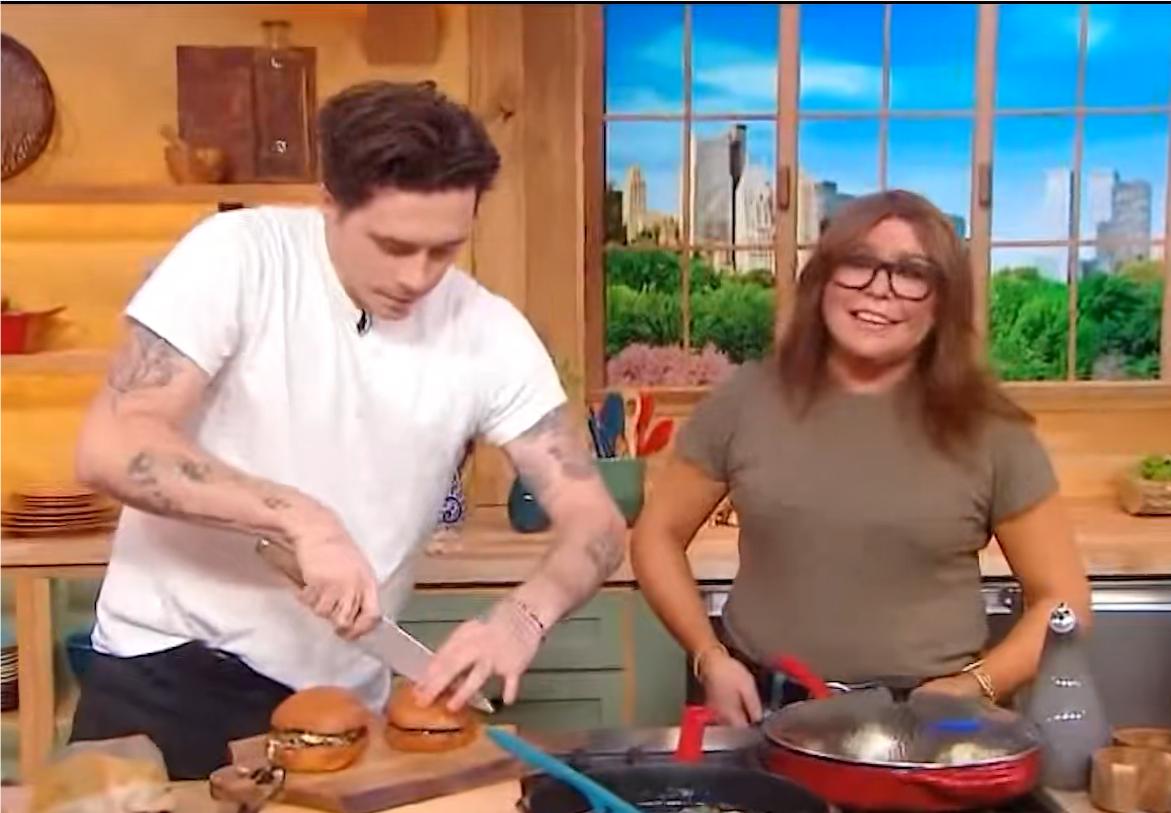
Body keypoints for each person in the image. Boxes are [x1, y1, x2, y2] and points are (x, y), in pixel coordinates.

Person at [70, 81, 626, 779]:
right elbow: (112, 442)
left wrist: (523, 617)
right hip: (167, 676)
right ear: (329, 202)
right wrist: (300, 518)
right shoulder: (237, 257)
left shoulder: (490, 334)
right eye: (392, 245)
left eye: (444, 250)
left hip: (343, 705)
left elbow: (597, 523)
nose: (416, 277)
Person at [631, 190, 1092, 725]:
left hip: (928, 725)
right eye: (859, 263)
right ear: (823, 279)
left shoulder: (992, 430)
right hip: (762, 713)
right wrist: (708, 657)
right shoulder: (744, 401)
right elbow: (656, 536)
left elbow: (1065, 602)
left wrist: (974, 687)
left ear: (942, 300)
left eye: (911, 273)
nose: (879, 288)